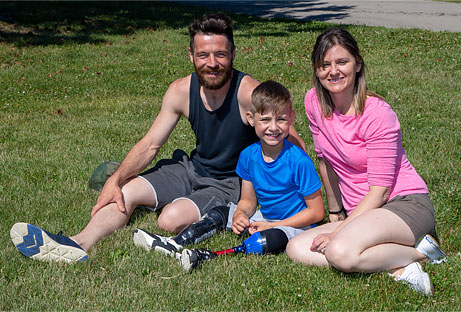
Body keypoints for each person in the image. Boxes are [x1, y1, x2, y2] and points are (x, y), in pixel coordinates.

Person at [9, 14, 305, 264]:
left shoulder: (247, 93)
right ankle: (78, 243)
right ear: (191, 56)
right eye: (203, 55)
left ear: (233, 54)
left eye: (220, 54)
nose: (212, 63)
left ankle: (179, 206)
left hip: (228, 182)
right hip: (191, 168)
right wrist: (116, 179)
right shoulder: (180, 91)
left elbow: (291, 139)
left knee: (169, 220)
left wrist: (292, 191)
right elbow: (151, 143)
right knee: (124, 193)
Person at [285, 28, 446, 296]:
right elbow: (324, 159)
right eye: (324, 65)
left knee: (339, 251)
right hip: (362, 214)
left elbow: (379, 192)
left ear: (358, 64)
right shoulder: (313, 102)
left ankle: (421, 255)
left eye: (342, 62)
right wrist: (336, 210)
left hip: (403, 205)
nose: (333, 71)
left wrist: (339, 232)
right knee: (298, 248)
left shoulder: (377, 113)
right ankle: (401, 259)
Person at [133, 81, 325, 271]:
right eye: (265, 120)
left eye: (281, 119)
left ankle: (206, 256)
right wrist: (241, 214)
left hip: (295, 225)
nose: (273, 127)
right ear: (251, 119)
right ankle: (174, 242)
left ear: (291, 118)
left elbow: (316, 213)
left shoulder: (299, 161)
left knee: (269, 239)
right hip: (265, 217)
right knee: (222, 213)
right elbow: (248, 200)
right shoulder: (248, 156)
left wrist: (271, 226)